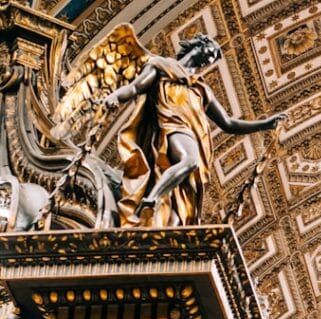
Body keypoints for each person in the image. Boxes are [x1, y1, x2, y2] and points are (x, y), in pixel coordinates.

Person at [102, 33, 285, 226]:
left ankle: (160, 209)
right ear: (199, 45)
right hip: (170, 126)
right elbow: (134, 88)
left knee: (178, 210)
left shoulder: (202, 89)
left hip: (194, 135)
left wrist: (266, 124)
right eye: (212, 51)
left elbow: (229, 123)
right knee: (190, 161)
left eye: (214, 57)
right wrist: (113, 97)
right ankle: (151, 200)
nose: (212, 58)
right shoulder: (162, 66)